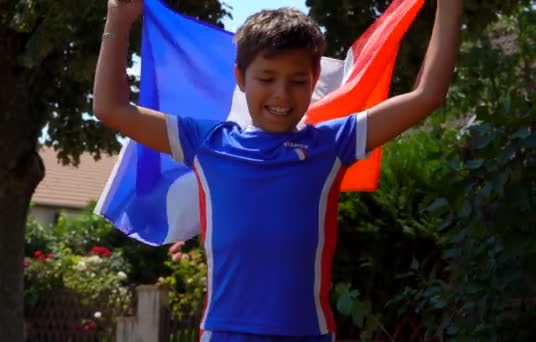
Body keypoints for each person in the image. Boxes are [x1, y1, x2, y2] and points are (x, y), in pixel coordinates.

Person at [93, 0, 463, 340]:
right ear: (240, 78)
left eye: (298, 81)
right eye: (266, 79)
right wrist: (118, 20)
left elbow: (427, 95)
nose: (281, 95)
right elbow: (111, 108)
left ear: (315, 79)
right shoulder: (207, 143)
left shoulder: (332, 145)